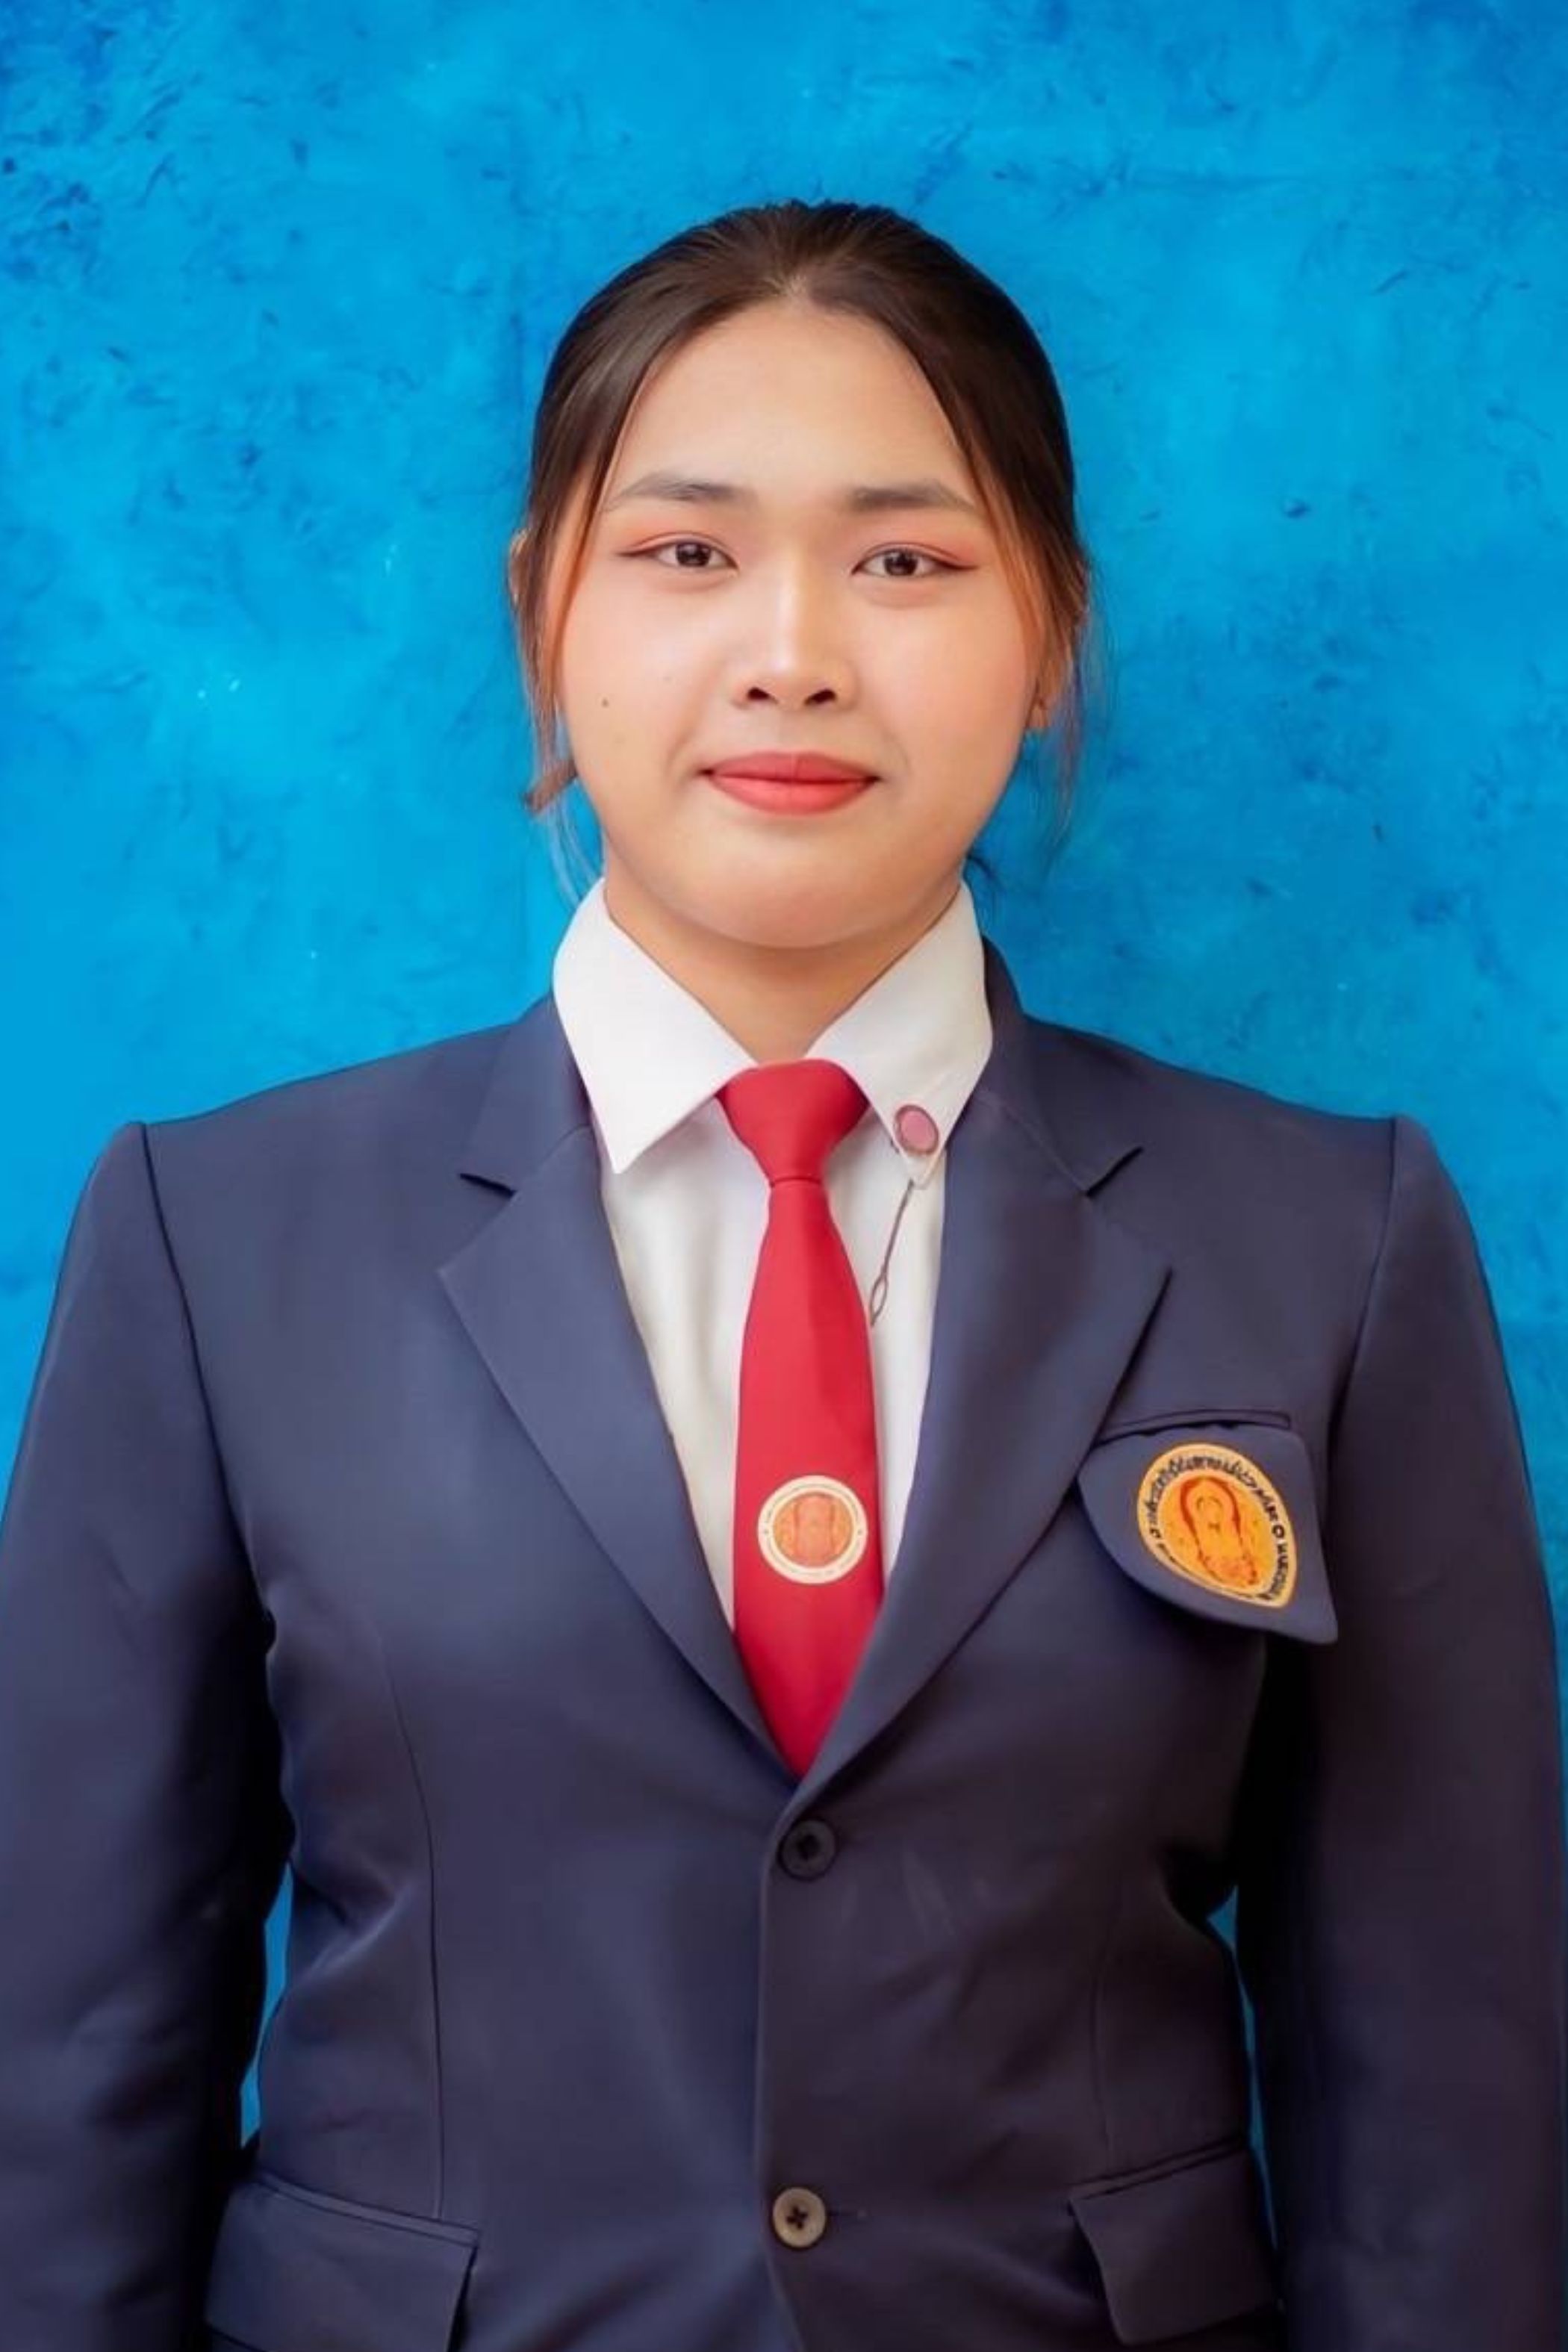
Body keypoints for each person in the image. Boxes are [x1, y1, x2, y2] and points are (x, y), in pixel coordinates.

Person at [0, 196, 1561, 2352]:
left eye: (907, 561)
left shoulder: (1327, 1240)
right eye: (685, 550)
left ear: (1051, 633)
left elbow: (1441, 2106)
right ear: (543, 610)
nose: (795, 651)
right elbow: (70, 2065)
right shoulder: (216, 1237)